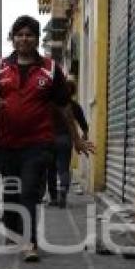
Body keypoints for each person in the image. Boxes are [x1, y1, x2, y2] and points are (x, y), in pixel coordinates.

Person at [0, 15, 93, 262]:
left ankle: (29, 241)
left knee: (29, 190)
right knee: (11, 189)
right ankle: (11, 230)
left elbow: (64, 108)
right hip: (6, 143)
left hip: (38, 142)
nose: (24, 39)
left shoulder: (51, 69)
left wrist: (77, 139)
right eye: (19, 34)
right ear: (13, 37)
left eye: (29, 34)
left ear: (36, 38)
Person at [46, 79, 89, 208]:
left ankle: (53, 198)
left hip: (49, 140)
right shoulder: (74, 105)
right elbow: (84, 124)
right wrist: (84, 136)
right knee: (63, 168)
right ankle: (63, 190)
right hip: (65, 140)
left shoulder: (50, 104)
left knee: (51, 170)